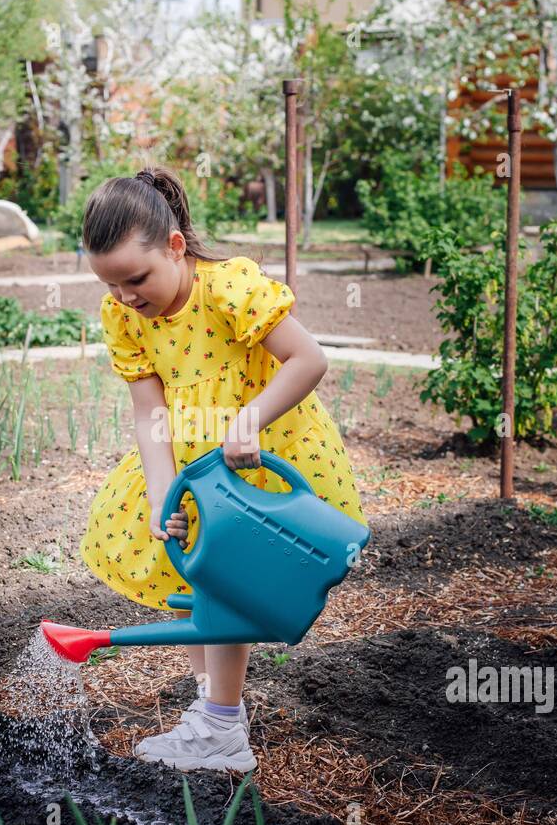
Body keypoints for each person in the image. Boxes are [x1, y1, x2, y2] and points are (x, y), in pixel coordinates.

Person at [78, 165, 367, 773]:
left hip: (257, 453)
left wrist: (249, 420)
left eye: (137, 278)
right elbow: (148, 409)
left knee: (225, 581)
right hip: (192, 460)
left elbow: (307, 359)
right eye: (111, 286)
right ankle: (214, 714)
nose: (126, 297)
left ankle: (221, 726)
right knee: (191, 576)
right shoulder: (125, 316)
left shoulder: (228, 289)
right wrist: (163, 494)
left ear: (175, 248)